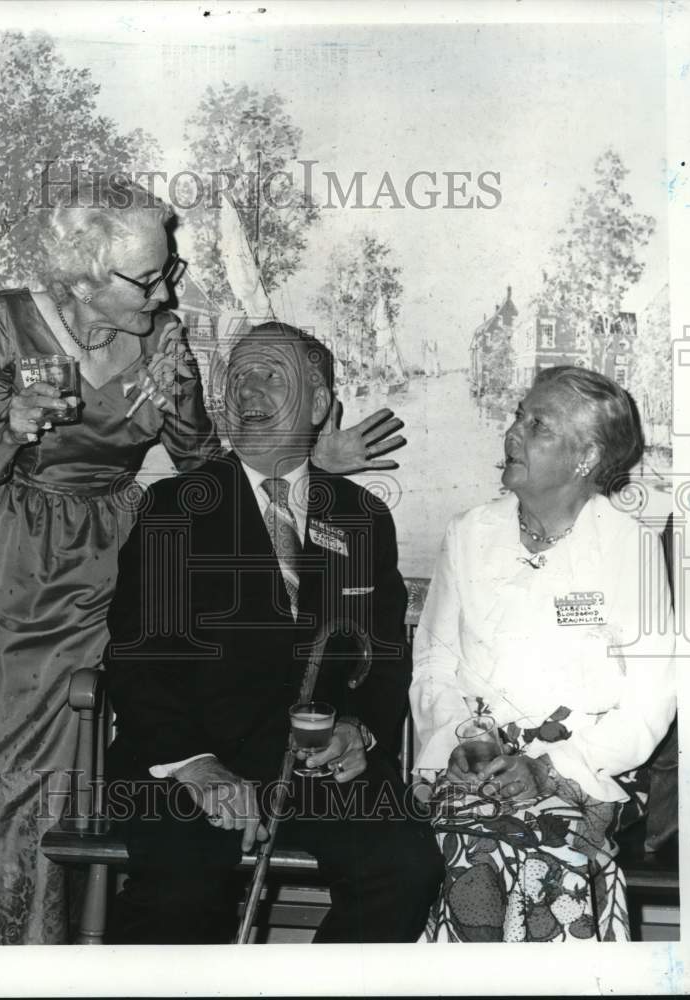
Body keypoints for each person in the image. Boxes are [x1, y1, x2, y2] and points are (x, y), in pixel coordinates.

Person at [0, 182, 408, 945]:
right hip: (15, 569)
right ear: (84, 272)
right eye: (145, 279)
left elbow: (211, 462)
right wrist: (12, 432)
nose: (165, 292)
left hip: (112, 559)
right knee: (1, 779)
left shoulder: (162, 338)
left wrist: (310, 458)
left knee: (104, 761)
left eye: (167, 271)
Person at [103, 321, 443, 945]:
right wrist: (196, 766)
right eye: (237, 376)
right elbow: (139, 658)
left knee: (404, 868)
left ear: (318, 405)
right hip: (195, 762)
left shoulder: (363, 517)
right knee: (179, 894)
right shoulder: (173, 507)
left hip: (324, 772)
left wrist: (357, 727)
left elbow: (387, 657)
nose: (247, 389)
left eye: (269, 374)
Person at [410, 365, 676, 942]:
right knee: (471, 847)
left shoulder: (629, 546)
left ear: (586, 458)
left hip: (583, 772)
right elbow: (433, 658)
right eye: (517, 416)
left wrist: (550, 770)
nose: (513, 432)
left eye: (538, 425)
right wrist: (463, 738)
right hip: (472, 766)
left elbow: (652, 699)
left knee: (542, 860)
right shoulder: (469, 533)